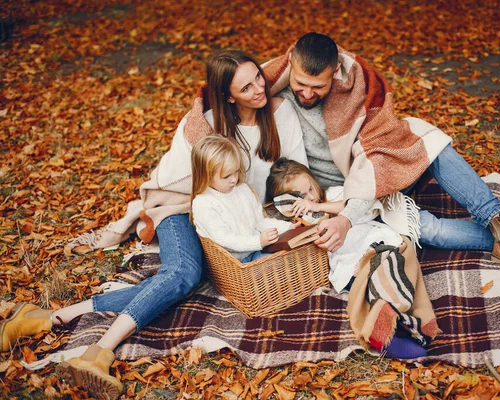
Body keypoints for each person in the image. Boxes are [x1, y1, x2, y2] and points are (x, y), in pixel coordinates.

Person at [0, 50, 307, 399]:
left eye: (259, 79)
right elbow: (172, 181)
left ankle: (49, 318)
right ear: (227, 95)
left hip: (233, 217)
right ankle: (100, 352)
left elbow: (292, 173)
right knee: (182, 275)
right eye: (246, 86)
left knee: (181, 281)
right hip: (182, 208)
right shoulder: (205, 125)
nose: (258, 89)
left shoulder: (281, 114)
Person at [254, 32, 500, 272]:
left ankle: (498, 219)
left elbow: (378, 154)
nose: (307, 93)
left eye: (318, 86)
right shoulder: (269, 87)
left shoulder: (359, 87)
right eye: (301, 83)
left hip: (377, 171)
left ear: (335, 73)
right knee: (425, 228)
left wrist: (348, 217)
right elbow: (224, 92)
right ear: (290, 66)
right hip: (339, 192)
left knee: (430, 140)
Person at [265, 157, 436, 359]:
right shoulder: (301, 220)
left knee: (396, 264)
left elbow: (361, 209)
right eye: (301, 196)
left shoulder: (334, 195)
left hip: (378, 243)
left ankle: (396, 323)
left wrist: (320, 207)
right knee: (372, 281)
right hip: (350, 264)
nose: (310, 198)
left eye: (310, 189)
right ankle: (387, 330)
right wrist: (296, 223)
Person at [191, 136, 297, 262]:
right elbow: (225, 239)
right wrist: (258, 241)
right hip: (238, 261)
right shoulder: (203, 204)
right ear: (205, 176)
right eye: (226, 176)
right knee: (282, 263)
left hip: (259, 248)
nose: (234, 179)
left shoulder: (243, 190)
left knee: (293, 254)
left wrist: (287, 228)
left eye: (236, 172)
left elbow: (260, 222)